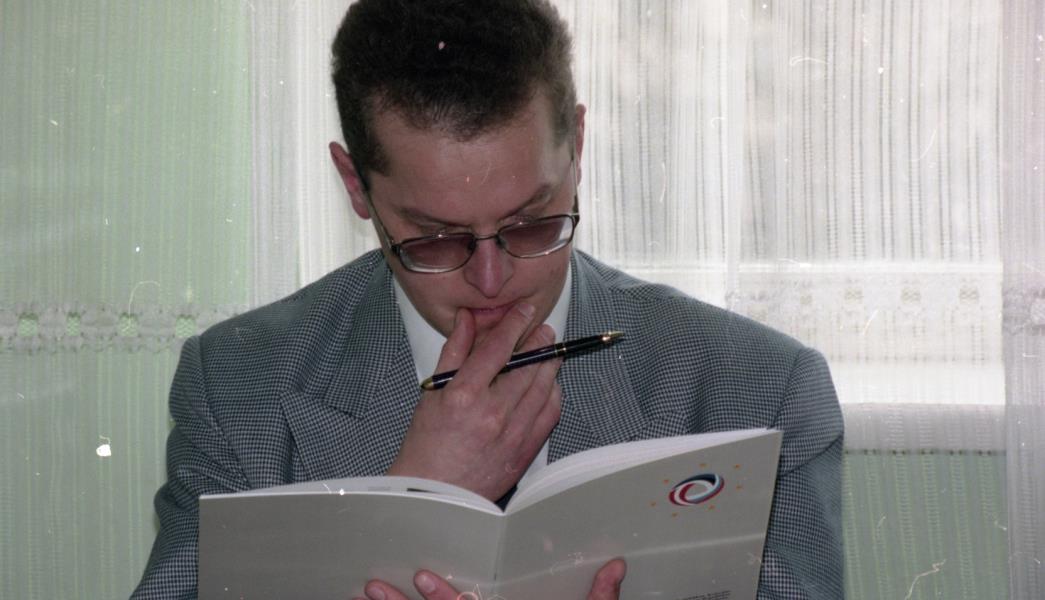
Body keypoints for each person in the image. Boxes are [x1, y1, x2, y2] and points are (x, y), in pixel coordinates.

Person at [132, 1, 843, 598]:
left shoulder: (760, 389)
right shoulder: (237, 387)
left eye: (532, 223)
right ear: (355, 185)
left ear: (578, 147)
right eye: (436, 239)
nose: (493, 279)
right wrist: (410, 500)